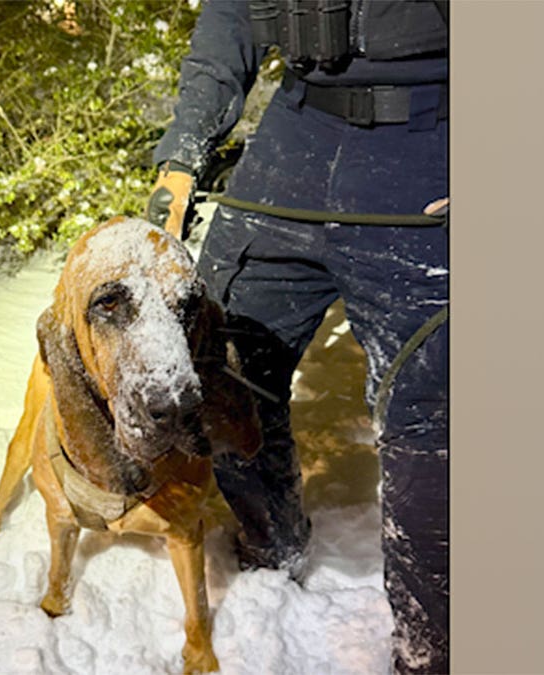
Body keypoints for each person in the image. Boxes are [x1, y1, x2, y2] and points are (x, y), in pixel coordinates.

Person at [145, 1, 449, 672]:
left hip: (434, 138)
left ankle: (432, 654)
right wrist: (185, 150)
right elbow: (228, 16)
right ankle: (270, 546)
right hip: (297, 132)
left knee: (432, 422)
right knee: (216, 368)